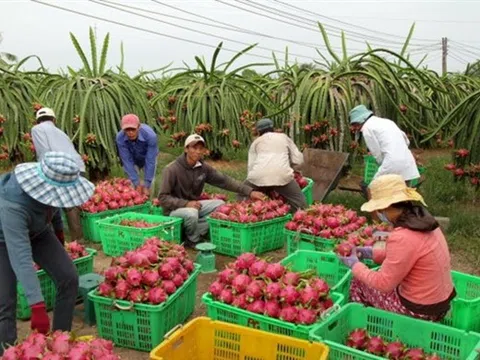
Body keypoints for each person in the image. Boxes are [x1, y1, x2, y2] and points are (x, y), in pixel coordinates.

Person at [0, 152, 95, 355]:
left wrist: (59, 231)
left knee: (68, 277)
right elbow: (21, 256)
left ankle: (60, 342)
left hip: (39, 230)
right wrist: (37, 305)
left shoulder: (50, 182)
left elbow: (53, 203)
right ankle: (8, 352)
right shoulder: (12, 204)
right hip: (3, 239)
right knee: (5, 302)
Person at [338, 174, 456, 322]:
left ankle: (364, 324)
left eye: (379, 209)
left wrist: (355, 265)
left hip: (420, 311)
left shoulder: (402, 236)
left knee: (359, 282)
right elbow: (407, 253)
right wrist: (371, 253)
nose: (379, 213)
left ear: (385, 207)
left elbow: (384, 284)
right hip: (441, 304)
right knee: (376, 276)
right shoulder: (424, 220)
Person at [158, 134, 265, 247]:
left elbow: (225, 181)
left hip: (193, 206)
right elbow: (163, 198)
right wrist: (186, 203)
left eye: (201, 149)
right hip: (173, 211)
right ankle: (193, 240)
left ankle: (189, 231)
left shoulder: (202, 168)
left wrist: (249, 191)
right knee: (191, 213)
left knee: (220, 205)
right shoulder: (171, 169)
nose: (198, 152)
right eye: (194, 148)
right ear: (186, 149)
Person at [31, 107, 86, 242]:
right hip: (77, 166)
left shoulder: (36, 129)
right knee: (71, 204)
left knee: (50, 202)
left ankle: (55, 240)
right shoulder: (61, 132)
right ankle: (78, 240)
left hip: (59, 167)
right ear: (54, 120)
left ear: (37, 121)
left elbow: (43, 151)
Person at [349, 105, 420, 198]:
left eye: (355, 125)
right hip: (408, 161)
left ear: (359, 121)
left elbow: (377, 153)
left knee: (372, 189)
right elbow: (406, 140)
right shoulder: (387, 122)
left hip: (391, 162)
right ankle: (406, 212)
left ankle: (379, 212)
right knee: (403, 194)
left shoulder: (367, 128)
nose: (356, 128)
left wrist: (381, 166)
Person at [241, 118, 307, 212]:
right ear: (273, 128)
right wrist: (290, 167)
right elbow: (298, 160)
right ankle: (294, 216)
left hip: (258, 176)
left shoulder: (256, 142)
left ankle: (246, 214)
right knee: (300, 204)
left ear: (258, 131)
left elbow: (251, 166)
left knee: (241, 193)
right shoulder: (284, 137)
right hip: (282, 176)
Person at [116, 114, 159, 197]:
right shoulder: (120, 138)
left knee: (150, 183)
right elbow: (126, 160)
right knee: (131, 184)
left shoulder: (150, 136)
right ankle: (134, 203)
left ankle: (150, 202)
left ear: (139, 127)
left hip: (148, 156)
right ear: (123, 129)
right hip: (132, 158)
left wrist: (147, 184)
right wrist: (136, 183)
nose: (130, 132)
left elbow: (150, 160)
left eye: (133, 129)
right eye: (127, 130)